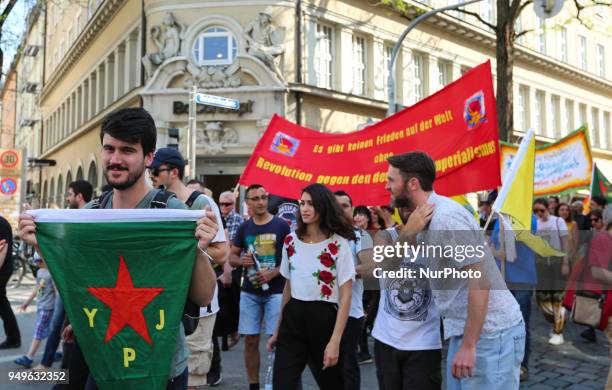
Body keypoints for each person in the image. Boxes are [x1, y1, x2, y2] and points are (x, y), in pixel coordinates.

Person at [18, 107, 221, 389]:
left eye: (127, 150)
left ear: (149, 157)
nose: (115, 159)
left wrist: (198, 248)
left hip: (162, 367)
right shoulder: (90, 214)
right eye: (109, 148)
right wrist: (42, 246)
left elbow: (203, 296)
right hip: (103, 360)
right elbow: (77, 279)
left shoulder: (172, 212)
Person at [385, 151, 525, 390]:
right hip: (466, 330)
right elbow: (388, 267)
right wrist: (408, 232)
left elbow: (480, 281)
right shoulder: (422, 219)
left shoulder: (446, 219)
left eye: (390, 180)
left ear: (412, 184)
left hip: (490, 333)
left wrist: (470, 345)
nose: (386, 186)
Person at [147, 147, 228, 388]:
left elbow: (222, 252)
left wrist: (190, 251)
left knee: (192, 374)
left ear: (173, 172)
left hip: (197, 304)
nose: (150, 174)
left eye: (155, 170)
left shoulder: (201, 202)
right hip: (164, 302)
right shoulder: (153, 203)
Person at [267, 183, 355, 389]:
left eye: (311, 204)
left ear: (323, 207)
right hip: (293, 317)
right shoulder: (290, 241)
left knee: (332, 384)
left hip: (324, 319)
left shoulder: (339, 244)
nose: (304, 209)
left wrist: (334, 342)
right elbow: (288, 287)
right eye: (302, 203)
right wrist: (278, 330)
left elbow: (346, 296)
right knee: (282, 384)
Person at [370, 206, 442, 390]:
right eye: (404, 204)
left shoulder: (439, 238)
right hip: (386, 340)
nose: (410, 209)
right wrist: (408, 233)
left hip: (425, 343)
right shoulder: (385, 236)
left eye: (416, 204)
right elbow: (385, 265)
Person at [229, 184, 290, 390]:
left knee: (276, 342)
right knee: (251, 341)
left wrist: (274, 272)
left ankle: (274, 383)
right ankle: (254, 385)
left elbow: (293, 259)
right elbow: (232, 257)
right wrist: (241, 262)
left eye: (264, 197)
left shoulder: (281, 226)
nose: (261, 202)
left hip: (276, 291)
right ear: (247, 203)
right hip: (250, 292)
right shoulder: (245, 228)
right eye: (256, 198)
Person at [34, 180, 94, 371]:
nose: (67, 199)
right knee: (63, 328)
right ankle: (50, 366)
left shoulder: (85, 219)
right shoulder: (73, 218)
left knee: (64, 329)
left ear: (79, 196)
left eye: (69, 194)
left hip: (76, 285)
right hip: (69, 282)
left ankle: (50, 369)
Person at [334, 190, 374, 390]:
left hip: (351, 312)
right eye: (337, 206)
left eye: (345, 206)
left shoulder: (361, 235)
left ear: (351, 209)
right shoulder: (321, 236)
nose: (341, 210)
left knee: (348, 365)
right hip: (324, 311)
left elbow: (368, 266)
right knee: (328, 367)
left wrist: (341, 273)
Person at [490, 215, 538, 381]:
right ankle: (503, 362)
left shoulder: (528, 217)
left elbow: (516, 246)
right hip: (501, 278)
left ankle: (522, 364)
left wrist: (506, 233)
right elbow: (492, 245)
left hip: (522, 279)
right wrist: (494, 251)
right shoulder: (498, 219)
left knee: (521, 323)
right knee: (501, 324)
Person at [533, 198, 570, 345]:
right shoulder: (535, 223)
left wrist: (565, 262)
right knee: (542, 298)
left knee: (558, 298)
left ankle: (558, 331)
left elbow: (565, 242)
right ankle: (554, 321)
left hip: (557, 263)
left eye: (541, 210)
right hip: (541, 264)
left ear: (549, 208)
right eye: (535, 211)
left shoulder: (558, 221)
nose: (539, 213)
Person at [14, 255, 55, 368]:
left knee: (39, 331)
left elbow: (57, 293)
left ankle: (29, 357)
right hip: (41, 305)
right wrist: (27, 302)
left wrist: (59, 308)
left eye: (40, 261)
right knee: (53, 330)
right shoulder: (40, 272)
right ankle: (60, 350)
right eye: (36, 261)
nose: (37, 263)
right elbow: (37, 289)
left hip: (48, 307)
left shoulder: (52, 273)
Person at [218, 190, 243, 351]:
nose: (224, 207)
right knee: (221, 303)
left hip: (232, 266)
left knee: (232, 301)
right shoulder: (217, 217)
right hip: (218, 264)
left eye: (228, 204)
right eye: (221, 204)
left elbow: (232, 246)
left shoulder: (237, 219)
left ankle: (233, 332)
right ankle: (226, 334)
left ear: (234, 204)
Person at [0, 216, 20, 349]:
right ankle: (13, 338)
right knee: (2, 303)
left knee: (2, 303)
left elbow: (3, 250)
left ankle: (14, 338)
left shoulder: (1, 224)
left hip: (2, 268)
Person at [557, 202, 578, 268]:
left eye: (567, 210)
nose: (565, 212)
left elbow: (575, 241)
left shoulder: (573, 224)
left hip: (568, 256)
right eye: (562, 210)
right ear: (557, 211)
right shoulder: (553, 223)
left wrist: (573, 256)